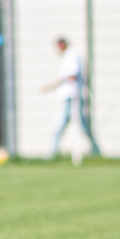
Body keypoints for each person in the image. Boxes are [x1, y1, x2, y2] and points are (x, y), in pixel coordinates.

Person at [41, 35, 98, 164]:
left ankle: (90, 153)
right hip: (68, 97)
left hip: (73, 97)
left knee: (77, 127)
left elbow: (72, 76)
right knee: (61, 127)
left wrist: (51, 86)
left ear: (62, 45)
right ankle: (52, 155)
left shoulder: (72, 55)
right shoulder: (67, 56)